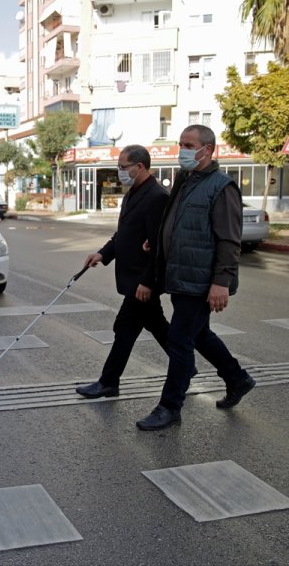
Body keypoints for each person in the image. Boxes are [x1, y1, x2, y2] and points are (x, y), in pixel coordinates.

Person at [136, 125, 255, 431]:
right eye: (181, 144)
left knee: (179, 340)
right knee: (199, 335)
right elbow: (179, 224)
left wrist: (221, 282)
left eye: (189, 145)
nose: (183, 150)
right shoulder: (185, 180)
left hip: (202, 281)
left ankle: (169, 406)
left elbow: (229, 240)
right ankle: (237, 378)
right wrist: (160, 243)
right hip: (182, 275)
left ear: (208, 150)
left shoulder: (221, 186)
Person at [75, 145, 170, 399]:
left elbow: (159, 246)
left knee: (125, 328)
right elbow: (124, 235)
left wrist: (148, 282)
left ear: (139, 167)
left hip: (142, 281)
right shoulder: (133, 193)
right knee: (154, 327)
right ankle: (189, 366)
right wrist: (102, 254)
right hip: (133, 279)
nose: (119, 172)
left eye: (122, 167)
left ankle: (108, 382)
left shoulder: (156, 196)